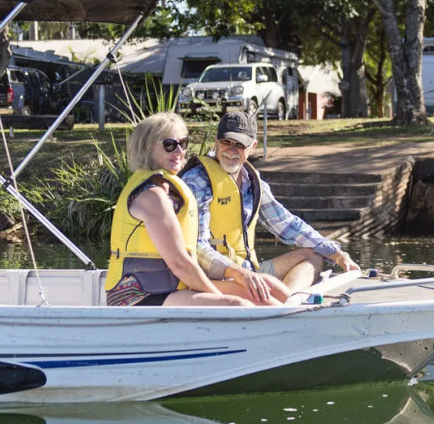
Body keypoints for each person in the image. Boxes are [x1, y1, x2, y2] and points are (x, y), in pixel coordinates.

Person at [181, 110, 357, 302]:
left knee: (313, 256)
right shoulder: (197, 180)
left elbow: (287, 225)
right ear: (216, 140)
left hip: (248, 270)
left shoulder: (253, 182)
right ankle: (287, 305)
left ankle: (288, 302)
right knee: (269, 285)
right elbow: (198, 245)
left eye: (240, 145)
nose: (231, 150)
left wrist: (337, 254)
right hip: (212, 277)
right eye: (226, 142)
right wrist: (238, 273)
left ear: (253, 146)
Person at [106, 112, 253, 307]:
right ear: (146, 148)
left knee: (255, 294)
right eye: (169, 145)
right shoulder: (153, 197)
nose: (179, 151)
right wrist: (216, 295)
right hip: (136, 296)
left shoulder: (168, 191)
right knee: (236, 305)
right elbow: (179, 263)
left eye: (183, 143)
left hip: (169, 288)